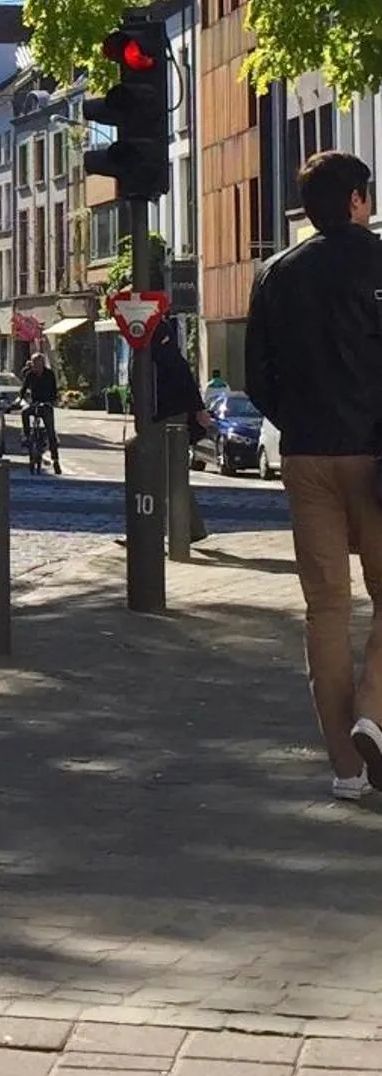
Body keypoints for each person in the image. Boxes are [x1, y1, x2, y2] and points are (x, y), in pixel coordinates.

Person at [245, 150, 382, 801]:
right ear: (357, 199)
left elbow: (257, 377)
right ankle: (372, 713)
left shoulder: (274, 273)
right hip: (376, 458)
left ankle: (345, 770)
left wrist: (298, 421)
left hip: (305, 458)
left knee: (325, 608)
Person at [150, 321, 210, 547]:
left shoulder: (164, 358)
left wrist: (198, 410)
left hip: (167, 420)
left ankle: (160, 531)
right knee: (171, 477)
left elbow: (188, 387)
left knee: (165, 477)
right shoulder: (169, 356)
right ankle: (189, 528)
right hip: (167, 419)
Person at [20, 351, 62, 473]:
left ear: (43, 363)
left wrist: (52, 401)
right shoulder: (30, 375)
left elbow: (54, 390)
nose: (37, 366)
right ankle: (27, 437)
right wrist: (21, 399)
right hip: (34, 403)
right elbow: (23, 389)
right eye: (34, 364)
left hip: (46, 404)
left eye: (39, 363)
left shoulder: (49, 374)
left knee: (50, 431)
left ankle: (55, 460)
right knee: (25, 412)